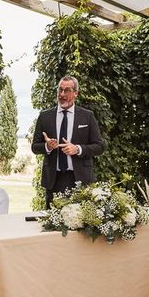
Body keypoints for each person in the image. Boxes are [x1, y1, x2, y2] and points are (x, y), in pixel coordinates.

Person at [31, 75, 104, 208]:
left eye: (67, 90)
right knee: (52, 225)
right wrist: (47, 146)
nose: (62, 94)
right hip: (54, 180)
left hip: (81, 180)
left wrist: (78, 149)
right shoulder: (45, 116)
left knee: (80, 224)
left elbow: (99, 146)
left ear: (76, 93)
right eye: (60, 90)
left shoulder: (87, 116)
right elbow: (35, 146)